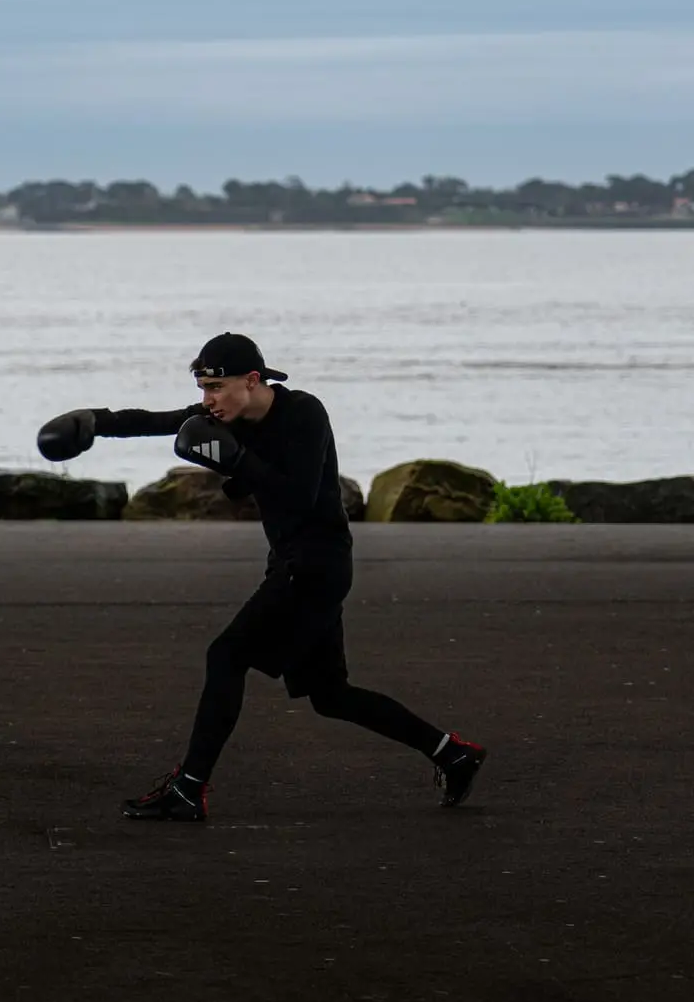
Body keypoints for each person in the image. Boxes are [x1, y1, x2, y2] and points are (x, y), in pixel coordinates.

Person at [37, 332, 485, 821]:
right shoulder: (226, 414)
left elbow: (302, 496)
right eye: (204, 389)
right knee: (330, 695)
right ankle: (451, 752)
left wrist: (237, 461)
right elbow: (159, 420)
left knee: (226, 656)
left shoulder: (305, 415)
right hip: (295, 564)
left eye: (217, 387)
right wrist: (95, 422)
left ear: (252, 381)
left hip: (315, 564)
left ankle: (189, 788)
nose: (208, 401)